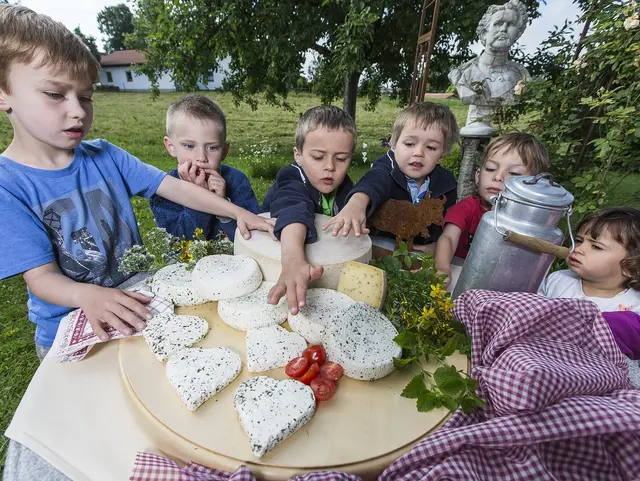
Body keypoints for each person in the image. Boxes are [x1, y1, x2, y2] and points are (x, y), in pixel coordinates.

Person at [0, 4, 273, 361]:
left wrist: (238, 213)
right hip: (72, 328)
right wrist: (87, 296)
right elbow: (41, 279)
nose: (78, 110)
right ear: (4, 92)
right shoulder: (9, 186)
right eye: (55, 94)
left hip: (138, 303)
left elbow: (174, 188)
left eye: (85, 96)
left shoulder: (106, 155)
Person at [325, 102, 458, 253]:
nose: (419, 152)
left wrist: (435, 245)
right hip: (376, 249)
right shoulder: (387, 168)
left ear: (442, 155)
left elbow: (445, 224)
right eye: (409, 144)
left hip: (420, 257)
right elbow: (374, 181)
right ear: (393, 144)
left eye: (431, 147)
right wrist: (356, 203)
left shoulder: (446, 185)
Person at [262, 105, 357, 314]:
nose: (330, 167)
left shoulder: (346, 186)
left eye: (341, 158)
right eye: (318, 157)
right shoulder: (292, 177)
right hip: (280, 263)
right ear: (298, 155)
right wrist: (293, 259)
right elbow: (293, 207)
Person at [434, 132, 549, 284]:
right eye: (490, 168)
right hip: (459, 273)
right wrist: (442, 269)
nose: (498, 177)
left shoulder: (530, 224)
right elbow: (448, 238)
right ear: (478, 175)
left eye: (513, 173)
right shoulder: (468, 208)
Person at [150, 94, 259, 242]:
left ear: (225, 151)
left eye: (212, 147)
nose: (201, 157)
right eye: (189, 146)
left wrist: (223, 206)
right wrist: (199, 194)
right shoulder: (163, 189)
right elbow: (181, 245)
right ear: (171, 146)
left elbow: (252, 237)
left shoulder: (237, 181)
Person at [539, 207, 640, 314]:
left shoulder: (633, 308)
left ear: (630, 267)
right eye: (578, 241)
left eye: (596, 247)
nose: (578, 249)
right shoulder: (558, 280)